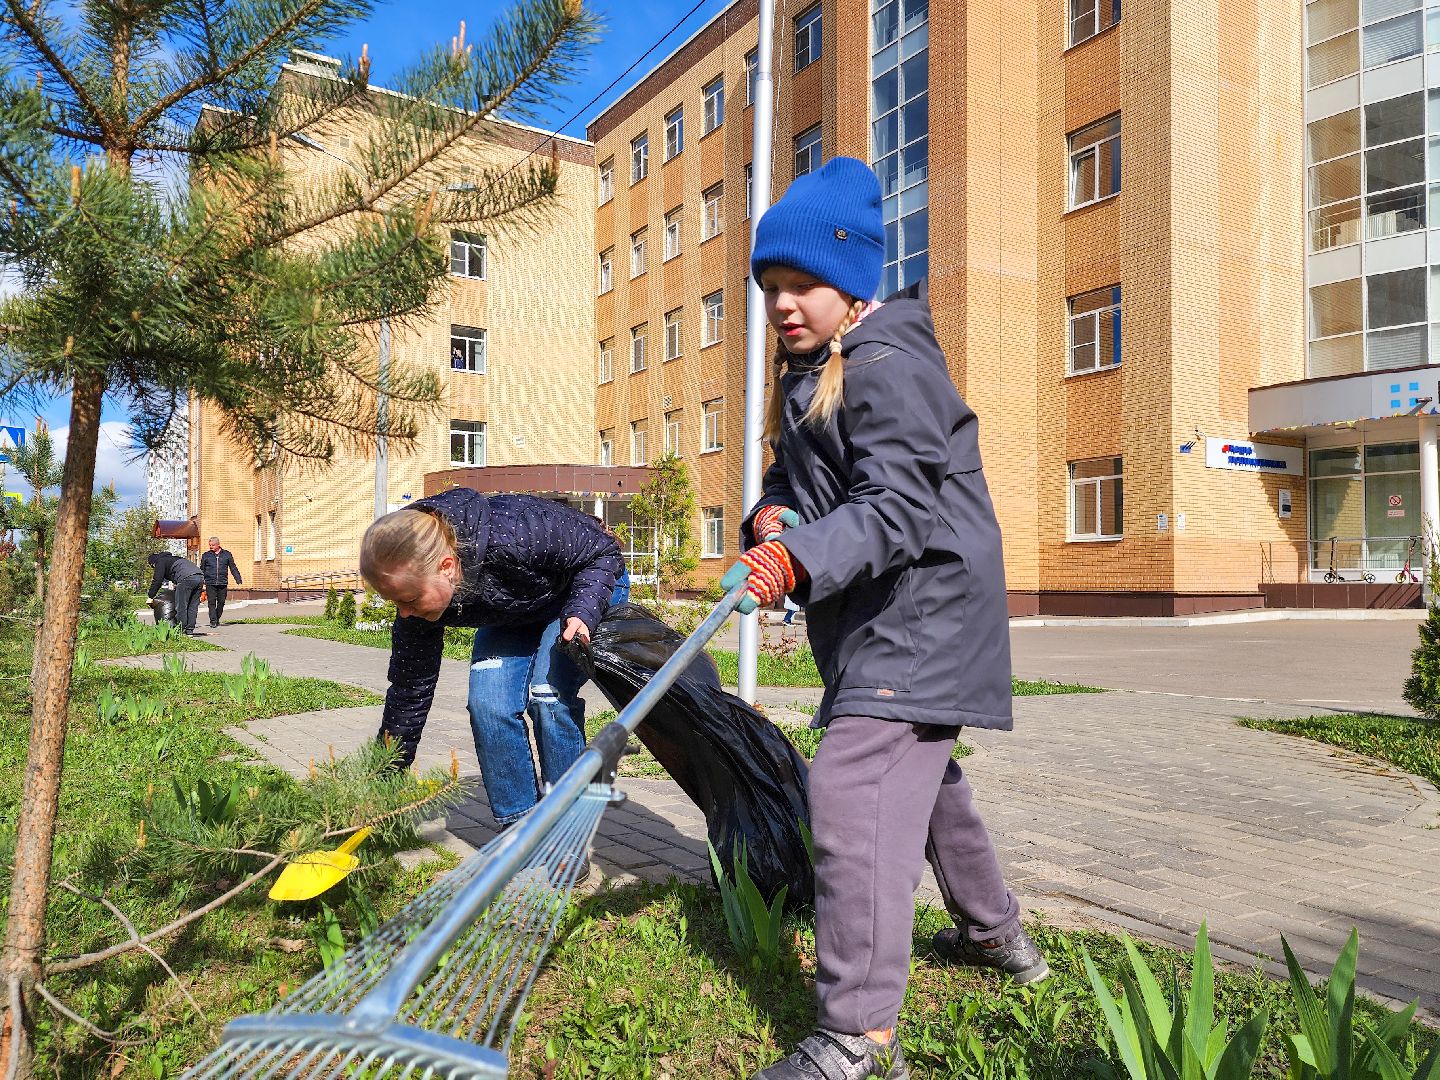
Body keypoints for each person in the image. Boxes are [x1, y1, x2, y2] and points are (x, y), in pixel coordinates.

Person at [723, 157, 1047, 1080]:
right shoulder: (810, 375)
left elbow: (897, 510)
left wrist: (797, 559)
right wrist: (774, 516)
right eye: (772, 287)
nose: (785, 304)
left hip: (924, 617)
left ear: (854, 285)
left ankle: (858, 1034)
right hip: (882, 620)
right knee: (927, 785)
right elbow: (808, 482)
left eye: (806, 284)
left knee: (854, 794)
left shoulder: (890, 369)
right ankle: (999, 937)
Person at [360, 488, 628, 827]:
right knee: (489, 703)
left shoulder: (515, 531)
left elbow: (602, 553)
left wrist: (582, 612)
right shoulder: (416, 604)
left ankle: (565, 827)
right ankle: (519, 828)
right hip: (516, 610)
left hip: (587, 587)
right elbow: (408, 691)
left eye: (410, 600)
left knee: (547, 696)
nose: (405, 612)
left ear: (446, 567)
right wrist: (384, 774)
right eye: (396, 603)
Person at [146, 550, 206, 635]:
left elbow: (157, 580)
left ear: (153, 563)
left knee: (181, 606)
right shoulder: (173, 559)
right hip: (200, 577)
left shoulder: (160, 561)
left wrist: (150, 596)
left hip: (186, 578)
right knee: (192, 606)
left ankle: (181, 631)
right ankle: (189, 631)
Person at [199, 535, 243, 628]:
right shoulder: (206, 555)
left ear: (218, 545)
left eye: (213, 545)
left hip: (222, 582)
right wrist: (200, 580)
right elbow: (202, 569)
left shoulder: (227, 554)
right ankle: (213, 621)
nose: (211, 547)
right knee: (211, 602)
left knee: (221, 602)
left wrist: (237, 578)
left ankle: (217, 618)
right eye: (210, 545)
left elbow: (233, 567)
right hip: (210, 582)